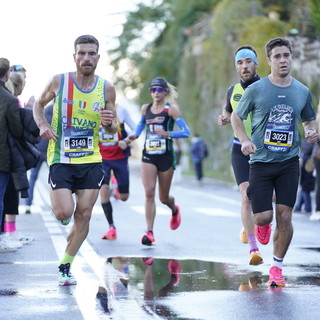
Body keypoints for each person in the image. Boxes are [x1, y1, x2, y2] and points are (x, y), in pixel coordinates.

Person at [231, 37, 318, 287]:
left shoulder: (302, 91)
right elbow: (237, 117)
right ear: (268, 61)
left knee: (286, 215)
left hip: (289, 161)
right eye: (277, 56)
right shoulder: (255, 90)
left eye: (286, 55)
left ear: (292, 58)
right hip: (260, 161)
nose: (283, 60)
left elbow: (309, 120)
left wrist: (311, 131)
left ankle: (277, 268)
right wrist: (244, 140)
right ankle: (261, 227)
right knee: (262, 217)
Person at [33, 35, 117, 286]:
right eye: (82, 53)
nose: (86, 58)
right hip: (61, 156)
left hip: (91, 158)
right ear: (75, 56)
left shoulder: (107, 88)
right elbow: (38, 103)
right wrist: (42, 124)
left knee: (84, 214)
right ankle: (62, 214)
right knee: (64, 212)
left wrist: (110, 123)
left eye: (91, 53)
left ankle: (65, 265)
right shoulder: (59, 81)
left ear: (98, 58)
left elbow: (113, 129)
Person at [126, 77, 191, 245]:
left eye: (159, 90)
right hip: (149, 155)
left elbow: (186, 132)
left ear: (165, 92)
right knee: (149, 192)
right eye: (152, 90)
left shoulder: (171, 110)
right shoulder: (145, 108)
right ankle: (150, 232)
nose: (156, 93)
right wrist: (135, 134)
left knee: (163, 198)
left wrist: (168, 134)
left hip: (166, 156)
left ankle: (174, 208)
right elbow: (141, 125)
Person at [217, 45, 263, 266]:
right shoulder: (232, 90)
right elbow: (228, 109)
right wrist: (224, 117)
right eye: (240, 62)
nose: (244, 66)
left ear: (256, 64)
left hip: (264, 149)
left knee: (263, 199)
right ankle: (253, 249)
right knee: (246, 196)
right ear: (236, 66)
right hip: (239, 148)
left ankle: (254, 224)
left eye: (248, 61)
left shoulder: (267, 87)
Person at [2, 71, 38, 246]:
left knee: (8, 196)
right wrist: (29, 110)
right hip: (9, 156)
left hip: (8, 155)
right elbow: (17, 130)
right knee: (8, 196)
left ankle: (9, 233)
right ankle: (8, 234)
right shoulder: (11, 101)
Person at [99, 103, 136, 240]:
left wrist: (126, 141)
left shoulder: (121, 109)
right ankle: (111, 227)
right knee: (103, 191)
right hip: (102, 158)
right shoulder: (93, 109)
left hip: (120, 157)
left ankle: (116, 185)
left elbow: (135, 128)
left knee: (124, 197)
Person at [0, 58, 24, 252]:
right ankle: (1, 237)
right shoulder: (9, 99)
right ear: (6, 75)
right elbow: (16, 130)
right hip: (2, 157)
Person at [25, 103, 53, 214]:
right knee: (55, 179)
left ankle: (28, 203)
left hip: (38, 149)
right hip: (50, 151)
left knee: (33, 178)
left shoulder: (42, 112)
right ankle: (54, 205)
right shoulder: (59, 113)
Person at [293, 138, 315, 214]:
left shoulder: (309, 141)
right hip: (308, 165)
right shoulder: (310, 141)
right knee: (304, 189)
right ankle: (299, 206)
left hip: (309, 166)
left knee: (305, 189)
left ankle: (307, 208)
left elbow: (306, 148)